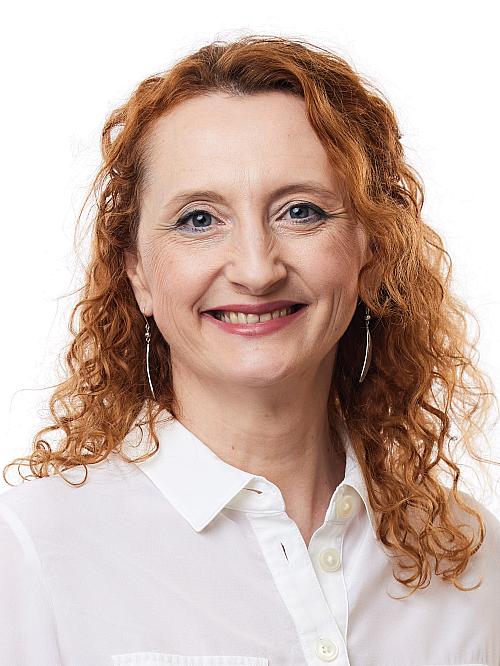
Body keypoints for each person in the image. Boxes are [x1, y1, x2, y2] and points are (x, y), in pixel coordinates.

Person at [1, 34, 499, 666]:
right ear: (137, 273)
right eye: (199, 220)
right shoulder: (31, 553)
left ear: (370, 251)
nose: (257, 270)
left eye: (301, 211)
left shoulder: (473, 561)